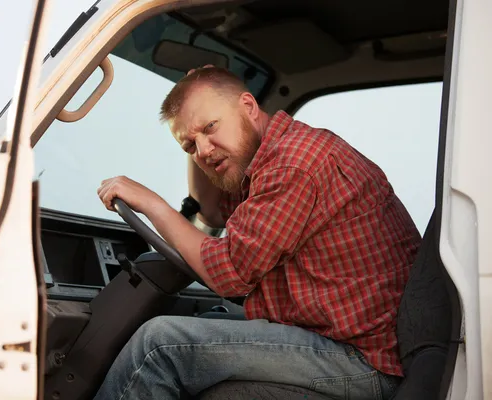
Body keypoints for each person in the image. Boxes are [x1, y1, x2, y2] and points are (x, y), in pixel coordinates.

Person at [94, 66, 421, 400]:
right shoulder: (259, 164)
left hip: (363, 361)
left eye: (211, 126)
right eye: (191, 146)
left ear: (248, 107)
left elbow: (229, 272)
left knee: (158, 344)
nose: (205, 150)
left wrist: (150, 203)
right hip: (331, 341)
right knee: (208, 330)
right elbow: (207, 210)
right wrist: (197, 130)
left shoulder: (293, 163)